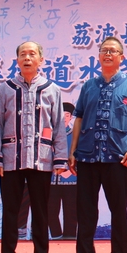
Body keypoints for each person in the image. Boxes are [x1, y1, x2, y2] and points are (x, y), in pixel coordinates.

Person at [0, 41, 68, 253]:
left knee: (42, 210)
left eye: (32, 54)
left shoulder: (52, 89)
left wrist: (60, 157)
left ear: (41, 60)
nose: (27, 58)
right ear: (17, 60)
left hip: (41, 159)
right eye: (23, 54)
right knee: (11, 210)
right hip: (11, 159)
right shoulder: (6, 89)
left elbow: (58, 126)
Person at [69, 37, 127, 253]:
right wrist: (73, 150)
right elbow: (79, 118)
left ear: (121, 57)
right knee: (85, 209)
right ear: (98, 56)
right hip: (87, 155)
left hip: (118, 157)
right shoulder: (88, 86)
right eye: (104, 50)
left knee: (118, 208)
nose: (108, 54)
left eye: (113, 51)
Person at [48, 102, 78, 240]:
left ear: (71, 117)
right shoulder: (49, 132)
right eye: (62, 115)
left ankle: (70, 235)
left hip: (71, 178)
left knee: (71, 209)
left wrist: (71, 169)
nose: (65, 118)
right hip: (52, 178)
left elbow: (79, 153)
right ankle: (55, 234)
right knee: (50, 209)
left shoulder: (75, 134)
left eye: (67, 115)